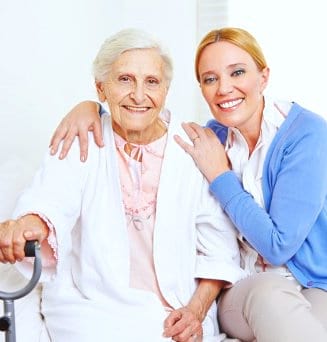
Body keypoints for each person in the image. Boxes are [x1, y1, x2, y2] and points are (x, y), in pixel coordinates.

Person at [48, 27, 327, 342]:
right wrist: (89, 108)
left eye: (237, 72)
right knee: (270, 295)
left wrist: (221, 177)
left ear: (263, 77)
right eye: (210, 79)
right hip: (246, 289)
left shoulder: (306, 134)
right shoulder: (209, 137)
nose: (224, 88)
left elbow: (279, 246)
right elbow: (141, 112)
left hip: (313, 284)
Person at [0, 28, 246, 342]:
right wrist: (29, 224)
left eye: (152, 82)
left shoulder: (193, 147)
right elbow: (51, 198)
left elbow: (219, 249)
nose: (139, 95)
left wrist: (195, 312)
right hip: (92, 309)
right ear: (101, 88)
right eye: (125, 79)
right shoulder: (82, 137)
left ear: (166, 90)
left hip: (175, 309)